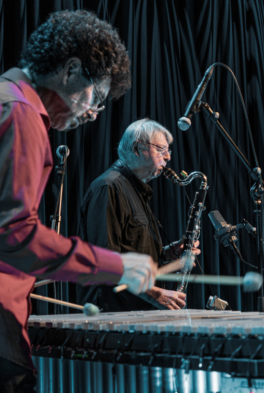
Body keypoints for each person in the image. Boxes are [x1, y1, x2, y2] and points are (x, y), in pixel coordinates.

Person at [0, 10, 158, 392]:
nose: (92, 114)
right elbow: (11, 234)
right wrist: (114, 265)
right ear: (71, 70)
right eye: (96, 98)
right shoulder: (18, 113)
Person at [77, 118, 201, 312]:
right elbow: (105, 259)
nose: (168, 157)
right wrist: (154, 293)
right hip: (111, 314)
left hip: (135, 312)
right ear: (137, 148)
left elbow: (134, 254)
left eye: (168, 151)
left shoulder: (136, 190)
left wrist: (170, 253)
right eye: (161, 150)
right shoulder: (108, 187)